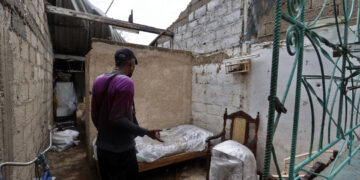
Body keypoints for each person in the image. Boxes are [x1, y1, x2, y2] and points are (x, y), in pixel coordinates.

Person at [91, 48, 163, 180]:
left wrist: (106, 134)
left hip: (102, 148)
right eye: (134, 65)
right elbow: (117, 118)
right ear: (131, 63)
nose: (133, 68)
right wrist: (146, 132)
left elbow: (94, 115)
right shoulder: (126, 82)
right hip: (121, 153)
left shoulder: (98, 80)